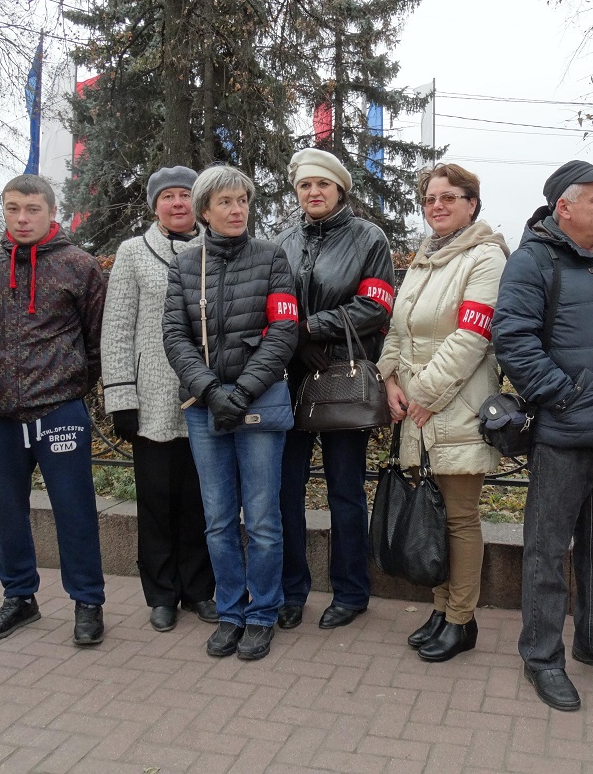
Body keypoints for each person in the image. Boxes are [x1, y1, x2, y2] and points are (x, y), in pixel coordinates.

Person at [493, 160, 593, 712]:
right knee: (546, 549)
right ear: (564, 207)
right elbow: (513, 339)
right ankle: (542, 657)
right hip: (564, 431)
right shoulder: (532, 261)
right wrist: (562, 395)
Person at [161, 165, 299, 662]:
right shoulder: (184, 266)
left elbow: (284, 332)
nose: (237, 209)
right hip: (204, 408)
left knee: (261, 518)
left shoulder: (271, 257)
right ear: (204, 211)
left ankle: (262, 613)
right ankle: (231, 609)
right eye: (225, 202)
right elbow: (174, 337)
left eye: (242, 200)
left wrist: (239, 392)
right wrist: (208, 391)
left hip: (257, 404)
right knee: (219, 519)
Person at [0, 176, 108, 647]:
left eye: (31, 209)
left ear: (51, 212)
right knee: (6, 512)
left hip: (59, 411)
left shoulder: (79, 266)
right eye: (12, 209)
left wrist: (69, 386)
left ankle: (88, 601)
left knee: (75, 511)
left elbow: (97, 342)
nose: (21, 218)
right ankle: (19, 597)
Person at [378, 163, 508, 662]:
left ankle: (461, 619)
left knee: (458, 517)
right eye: (431, 198)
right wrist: (389, 380)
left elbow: (473, 337)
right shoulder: (425, 258)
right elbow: (397, 328)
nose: (438, 205)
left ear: (471, 203)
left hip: (455, 404)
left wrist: (422, 396)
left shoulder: (485, 257)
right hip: (417, 408)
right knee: (431, 510)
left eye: (450, 197)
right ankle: (439, 608)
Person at [276, 148, 395, 631]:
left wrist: (310, 328)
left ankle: (351, 591)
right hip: (287, 380)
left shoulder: (369, 238)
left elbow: (376, 305)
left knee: (346, 490)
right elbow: (270, 300)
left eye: (322, 184)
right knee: (285, 491)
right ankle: (290, 591)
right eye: (305, 186)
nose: (314, 192)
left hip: (344, 380)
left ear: (340, 189)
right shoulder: (281, 240)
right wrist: (295, 339)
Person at [101, 165, 217, 633]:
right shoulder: (132, 253)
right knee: (156, 502)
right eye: (167, 196)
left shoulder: (217, 249)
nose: (177, 204)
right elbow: (116, 327)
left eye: (185, 195)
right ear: (155, 205)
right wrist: (121, 397)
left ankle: (199, 589)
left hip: (206, 397)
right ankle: (162, 594)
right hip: (151, 400)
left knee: (201, 501)